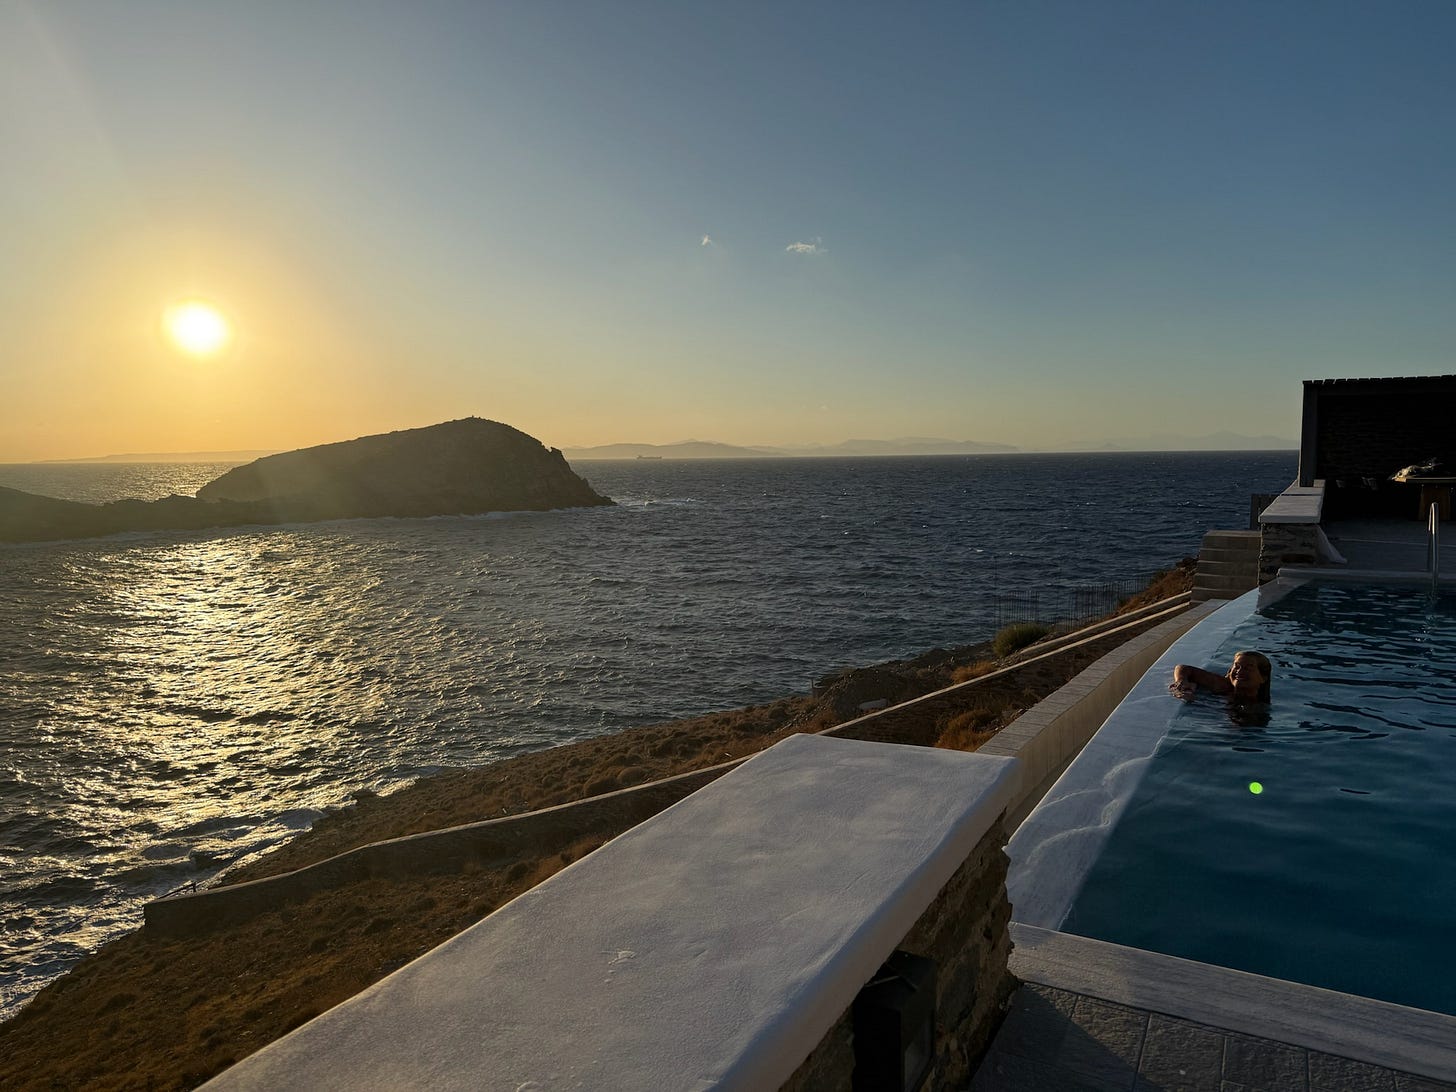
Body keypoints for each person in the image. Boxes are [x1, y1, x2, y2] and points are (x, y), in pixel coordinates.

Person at [1170, 650, 1271, 703]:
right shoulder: (1223, 685)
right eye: (1237, 667)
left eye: (1248, 668)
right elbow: (1183, 668)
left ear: (1263, 677)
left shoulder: (1261, 704)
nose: (1240, 671)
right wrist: (1181, 680)